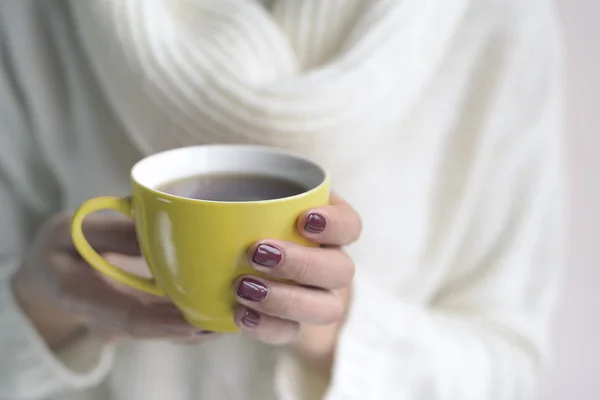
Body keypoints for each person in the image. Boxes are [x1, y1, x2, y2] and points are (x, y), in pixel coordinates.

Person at [0, 1, 564, 399]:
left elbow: (511, 368)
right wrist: (37, 304)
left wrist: (338, 335)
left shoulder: (495, 19)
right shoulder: (35, 13)